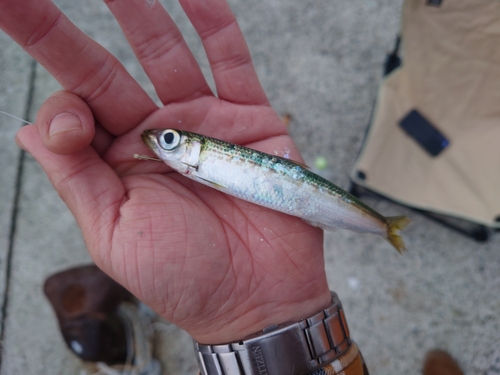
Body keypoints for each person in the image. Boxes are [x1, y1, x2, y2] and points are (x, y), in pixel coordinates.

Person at [0, 1, 465, 374]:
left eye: (170, 140)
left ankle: (385, 227)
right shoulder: (187, 167)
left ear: (192, 150)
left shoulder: (197, 159)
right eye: (167, 140)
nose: (162, 142)